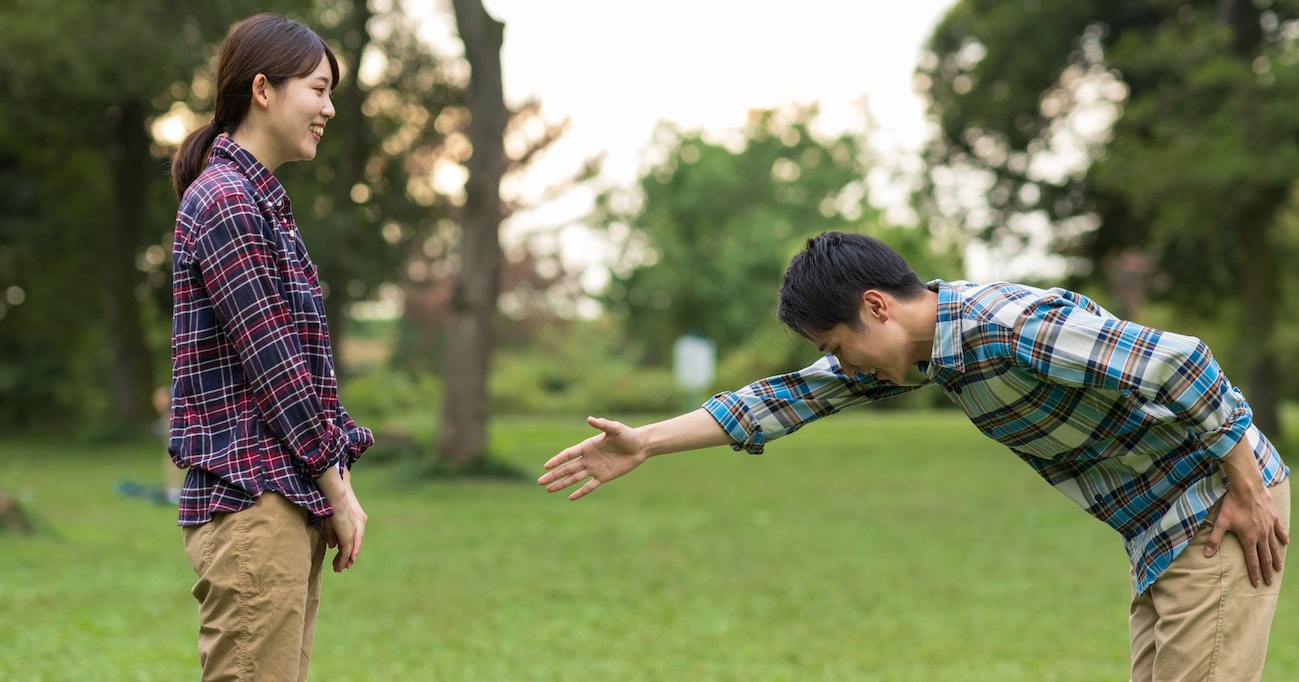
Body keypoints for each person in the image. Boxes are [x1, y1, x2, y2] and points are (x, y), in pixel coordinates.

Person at [538, 231, 1290, 681]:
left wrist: (1248, 488)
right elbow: (782, 400)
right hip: (1158, 529)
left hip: (1213, 507)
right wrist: (646, 443)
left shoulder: (1004, 326)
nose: (846, 366)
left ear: (876, 306)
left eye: (841, 348)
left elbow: (1183, 363)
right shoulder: (933, 350)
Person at [167, 13, 372, 681]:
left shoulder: (258, 202)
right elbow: (277, 368)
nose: (328, 108)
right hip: (253, 505)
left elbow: (297, 365)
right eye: (317, 89)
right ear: (263, 89)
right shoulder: (228, 202)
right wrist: (337, 490)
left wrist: (332, 484)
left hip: (279, 501)